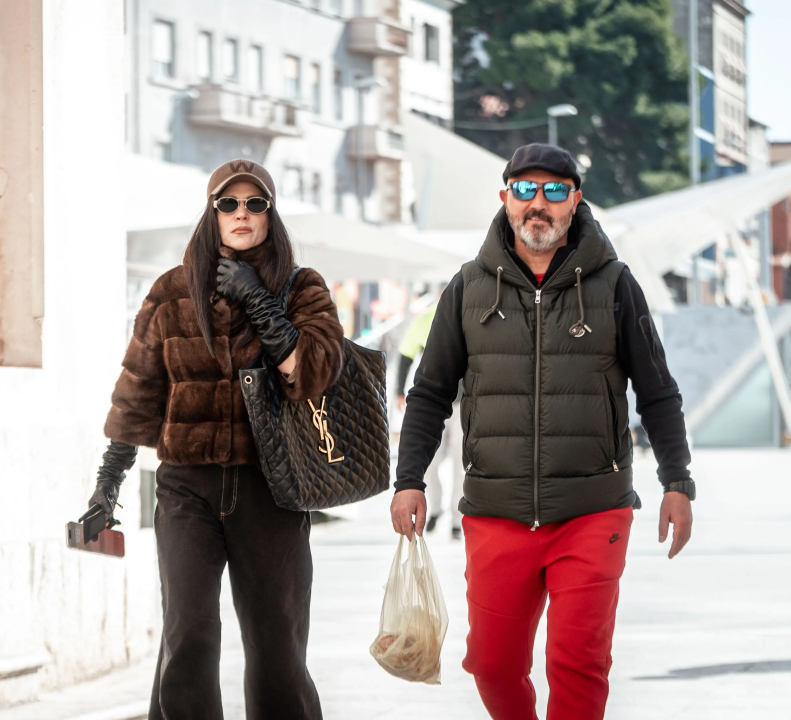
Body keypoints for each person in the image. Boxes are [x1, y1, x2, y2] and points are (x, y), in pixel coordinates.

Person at [390, 144, 695, 720]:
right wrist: (410, 480)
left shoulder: (615, 285)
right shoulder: (467, 287)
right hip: (495, 508)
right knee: (492, 665)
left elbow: (657, 391)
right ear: (505, 198)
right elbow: (430, 392)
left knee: (578, 663)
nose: (539, 203)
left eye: (555, 191)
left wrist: (677, 481)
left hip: (592, 510)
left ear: (575, 201)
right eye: (526, 189)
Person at [87, 159, 343, 720]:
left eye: (256, 204)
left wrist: (258, 299)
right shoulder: (172, 291)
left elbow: (316, 370)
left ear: (271, 214)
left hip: (272, 488)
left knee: (277, 645)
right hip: (187, 489)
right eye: (229, 204)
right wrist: (108, 483)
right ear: (212, 213)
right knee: (190, 633)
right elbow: (139, 392)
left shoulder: (302, 288)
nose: (242, 214)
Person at [396, 299, 463, 538]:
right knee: (432, 463)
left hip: (464, 405)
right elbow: (405, 355)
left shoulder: (467, 312)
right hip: (438, 403)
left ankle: (456, 518)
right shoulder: (425, 321)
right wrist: (398, 391)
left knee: (460, 464)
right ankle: (435, 508)